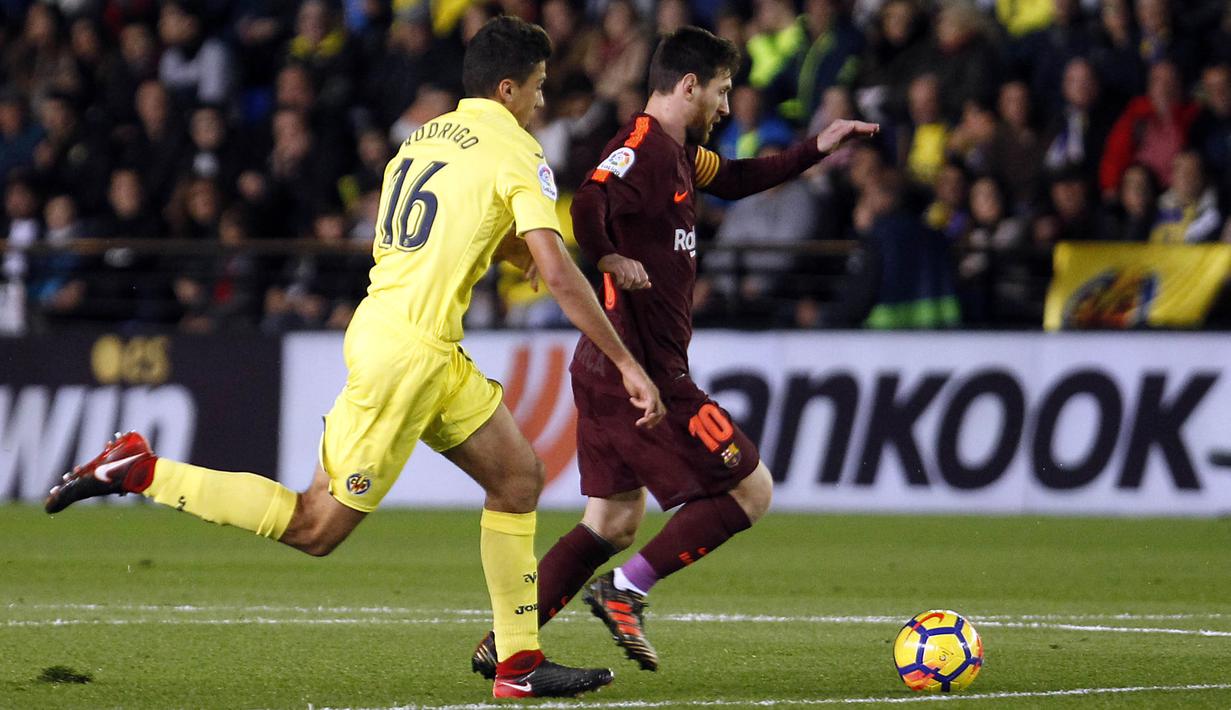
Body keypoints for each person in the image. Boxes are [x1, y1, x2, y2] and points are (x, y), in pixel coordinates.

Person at [43, 16, 665, 700]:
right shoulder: (516, 152)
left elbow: (497, 242)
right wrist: (625, 360)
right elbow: (544, 259)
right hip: (408, 354)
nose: (543, 103)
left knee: (518, 478)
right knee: (316, 526)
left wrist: (564, 259)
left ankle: (517, 664)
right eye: (540, 88)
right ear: (509, 88)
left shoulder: (419, 138)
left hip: (410, 339)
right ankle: (140, 469)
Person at [469, 25, 876, 677]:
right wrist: (606, 254)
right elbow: (592, 197)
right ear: (688, 87)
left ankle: (507, 639)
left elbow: (741, 179)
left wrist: (814, 148)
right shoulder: (644, 147)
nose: (723, 105)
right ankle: (625, 591)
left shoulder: (680, 155)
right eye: (719, 92)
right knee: (750, 490)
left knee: (611, 521)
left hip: (604, 366)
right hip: (645, 373)